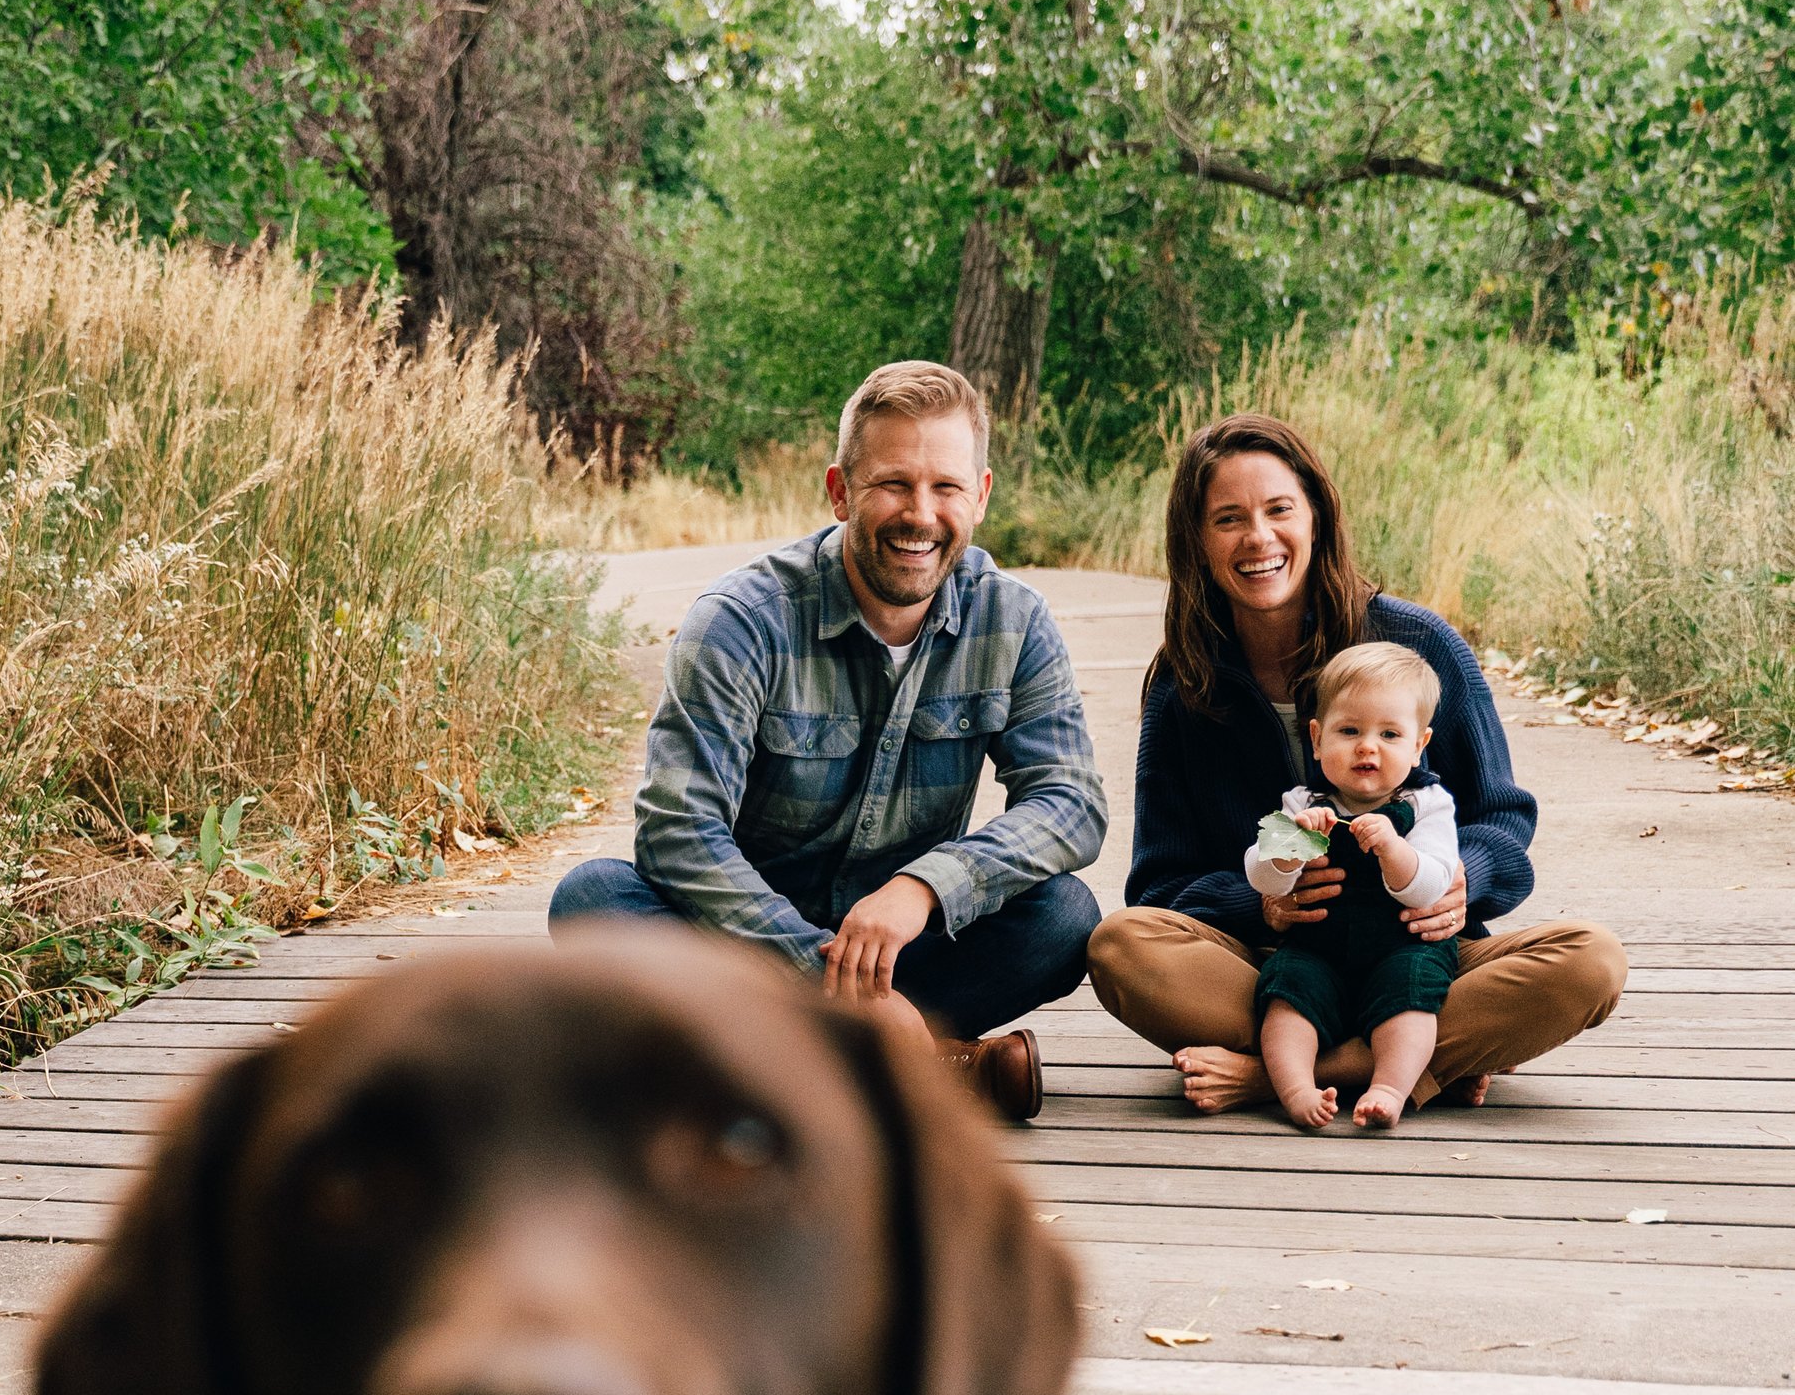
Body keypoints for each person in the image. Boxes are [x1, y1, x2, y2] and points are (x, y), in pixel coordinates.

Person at [548, 360, 1107, 1122]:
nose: (920, 513)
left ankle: (755, 1069)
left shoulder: (1013, 619)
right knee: (593, 900)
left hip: (904, 948)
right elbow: (678, 831)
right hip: (742, 940)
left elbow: (1070, 803)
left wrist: (923, 889)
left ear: (978, 496)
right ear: (840, 491)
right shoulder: (741, 620)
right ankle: (915, 1068)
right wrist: (826, 983)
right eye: (892, 485)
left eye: (945, 487)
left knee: (1066, 916)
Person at [1088, 414, 1624, 1113]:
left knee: (1591, 962)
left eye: (1279, 509)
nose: (1259, 538)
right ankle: (1411, 1063)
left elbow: (1502, 818)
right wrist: (1264, 905)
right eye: (1228, 519)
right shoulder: (1185, 684)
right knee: (1119, 948)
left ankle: (1280, 1077)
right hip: (1278, 966)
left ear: (1316, 515)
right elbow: (1159, 887)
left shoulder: (1417, 644)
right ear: (1196, 539)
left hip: (1416, 959)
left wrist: (1466, 878)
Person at [1247, 641, 1461, 1132]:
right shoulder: (1303, 800)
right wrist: (1290, 844)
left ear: (1418, 745)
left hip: (1402, 948)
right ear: (1317, 740)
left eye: (1390, 733)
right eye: (1350, 731)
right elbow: (1260, 874)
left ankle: (1388, 1088)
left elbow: (1431, 885)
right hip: (1319, 948)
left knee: (1412, 997)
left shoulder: (1428, 804)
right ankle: (1296, 1088)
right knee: (1286, 993)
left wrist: (1394, 849)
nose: (1368, 746)